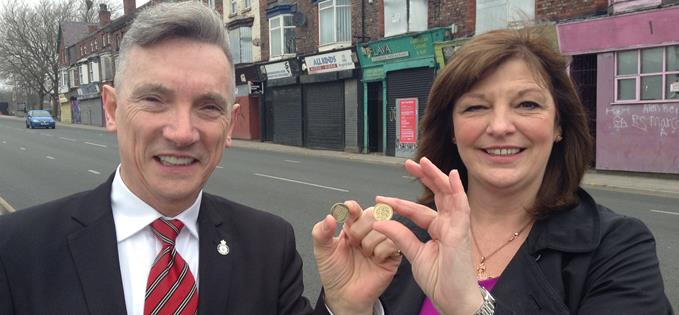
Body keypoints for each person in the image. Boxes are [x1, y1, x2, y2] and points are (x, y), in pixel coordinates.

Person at [312, 28, 673, 314]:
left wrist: (472, 309)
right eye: (475, 107)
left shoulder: (618, 248)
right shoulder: (399, 241)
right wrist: (346, 308)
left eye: (527, 104)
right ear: (451, 130)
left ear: (559, 125)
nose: (500, 126)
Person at [0, 2, 315, 314]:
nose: (182, 133)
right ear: (112, 109)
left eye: (208, 107)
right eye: (154, 100)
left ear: (229, 125)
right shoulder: (16, 249)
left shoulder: (270, 246)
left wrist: (346, 306)